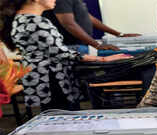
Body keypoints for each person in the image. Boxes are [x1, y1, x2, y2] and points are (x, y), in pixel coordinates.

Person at [0, 0, 129, 110]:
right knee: (63, 115)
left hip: (42, 76)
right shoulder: (36, 21)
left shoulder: (21, 18)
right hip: (51, 78)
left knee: (53, 114)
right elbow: (60, 53)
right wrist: (102, 59)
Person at [43, 0, 140, 51]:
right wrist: (97, 45)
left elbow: (89, 18)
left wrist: (119, 34)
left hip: (81, 45)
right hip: (71, 46)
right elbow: (69, 24)